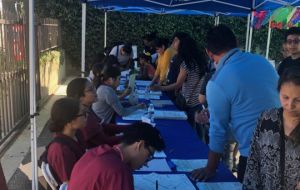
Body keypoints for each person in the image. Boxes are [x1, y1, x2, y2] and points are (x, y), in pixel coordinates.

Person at [190, 25, 280, 182]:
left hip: (256, 157)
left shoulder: (218, 81)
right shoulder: (263, 62)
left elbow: (218, 131)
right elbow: (251, 102)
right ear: (236, 42)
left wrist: (210, 168)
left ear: (209, 53)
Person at [243, 67, 300, 190]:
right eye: (285, 97)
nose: (290, 105)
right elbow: (254, 158)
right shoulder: (267, 118)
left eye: (298, 100)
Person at [68, 122, 166, 190]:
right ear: (140, 145)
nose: (146, 164)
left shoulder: (95, 151)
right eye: (149, 155)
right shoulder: (119, 171)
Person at [150, 33, 207, 126]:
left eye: (176, 42)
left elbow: (177, 84)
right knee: (194, 130)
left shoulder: (186, 64)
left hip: (186, 102)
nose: (174, 44)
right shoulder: (201, 62)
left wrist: (159, 88)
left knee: (182, 125)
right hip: (197, 103)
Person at [67, 78, 126, 148]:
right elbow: (105, 142)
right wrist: (132, 135)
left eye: (93, 87)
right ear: (80, 97)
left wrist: (131, 128)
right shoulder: (84, 119)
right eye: (90, 90)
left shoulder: (88, 109)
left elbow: (103, 126)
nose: (95, 91)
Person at [44, 98, 87, 185]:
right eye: (83, 114)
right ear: (70, 121)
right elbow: (71, 183)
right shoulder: (61, 150)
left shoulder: (77, 133)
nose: (87, 116)